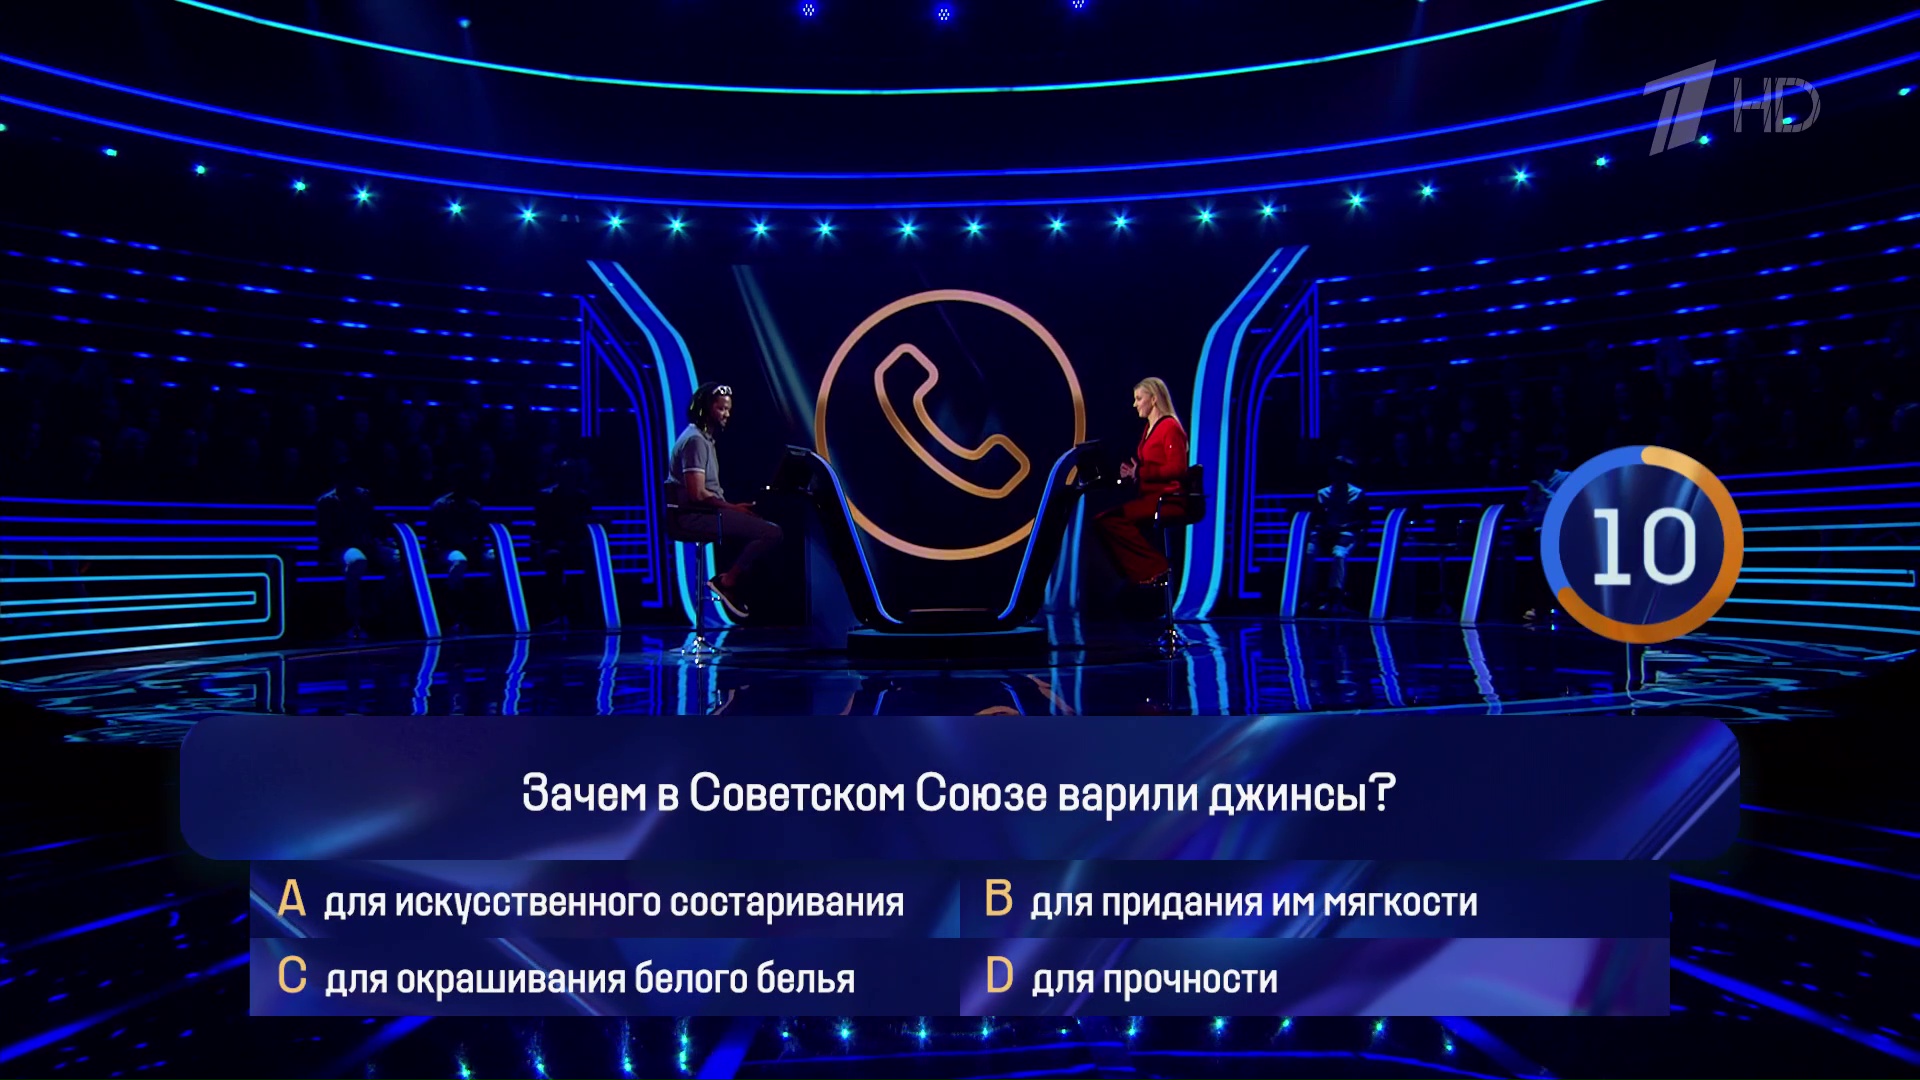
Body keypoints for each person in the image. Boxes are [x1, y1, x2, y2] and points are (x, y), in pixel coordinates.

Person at [667, 382, 782, 619]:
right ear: (704, 409)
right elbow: (697, 494)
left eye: (728, 409)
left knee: (762, 523)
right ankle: (727, 582)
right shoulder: (695, 441)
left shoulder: (704, 439)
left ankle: (731, 581)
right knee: (771, 533)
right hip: (694, 516)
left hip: (707, 512)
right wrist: (733, 508)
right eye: (721, 409)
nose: (726, 414)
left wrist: (734, 509)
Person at [1095, 377, 1190, 586]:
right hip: (1149, 496)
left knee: (1111, 520)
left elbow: (1178, 468)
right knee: (1104, 519)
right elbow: (1150, 466)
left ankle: (1155, 567)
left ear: (1154, 399)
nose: (1134, 404)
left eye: (1139, 399)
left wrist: (1142, 471)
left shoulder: (1170, 427)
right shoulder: (1148, 429)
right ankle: (1139, 573)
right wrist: (1133, 473)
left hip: (1167, 498)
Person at [315, 468, 398, 639]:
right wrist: (355, 540)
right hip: (340, 547)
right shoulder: (327, 502)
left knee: (399, 559)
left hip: (368, 546)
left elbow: (373, 523)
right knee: (357, 561)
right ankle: (354, 620)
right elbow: (327, 536)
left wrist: (379, 541)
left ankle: (373, 606)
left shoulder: (364, 496)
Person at [426, 463, 497, 634]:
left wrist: (476, 547)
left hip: (472, 549)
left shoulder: (474, 506)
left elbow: (480, 533)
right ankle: (453, 612)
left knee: (495, 559)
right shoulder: (441, 505)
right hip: (446, 550)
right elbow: (434, 535)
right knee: (460, 561)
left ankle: (491, 610)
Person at [533, 457, 595, 627]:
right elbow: (542, 526)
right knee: (554, 559)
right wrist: (556, 541)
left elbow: (585, 522)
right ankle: (557, 611)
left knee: (590, 559)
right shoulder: (546, 496)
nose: (568, 477)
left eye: (570, 474)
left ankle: (585, 612)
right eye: (564, 474)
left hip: (576, 544)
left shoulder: (582, 497)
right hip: (552, 544)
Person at [1309, 456, 1364, 613]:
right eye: (1335, 470)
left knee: (1339, 554)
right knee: (1308, 552)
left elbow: (1364, 520)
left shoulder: (1357, 494)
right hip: (1323, 535)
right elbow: (1314, 520)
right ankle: (1308, 597)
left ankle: (1335, 598)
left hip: (1346, 535)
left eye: (1342, 471)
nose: (1338, 474)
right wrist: (1324, 528)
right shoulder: (1322, 493)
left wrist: (1345, 526)